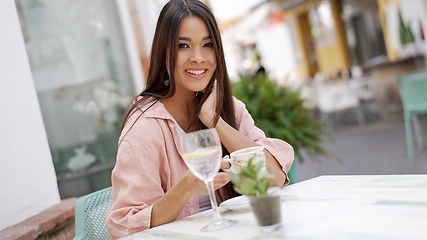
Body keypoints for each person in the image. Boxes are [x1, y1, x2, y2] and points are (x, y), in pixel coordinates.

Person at [106, 0, 294, 239]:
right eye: (183, 46)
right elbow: (124, 227)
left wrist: (214, 120)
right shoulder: (144, 128)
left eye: (207, 45)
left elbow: (274, 178)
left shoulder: (227, 108)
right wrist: (186, 187)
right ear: (165, 53)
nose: (198, 57)